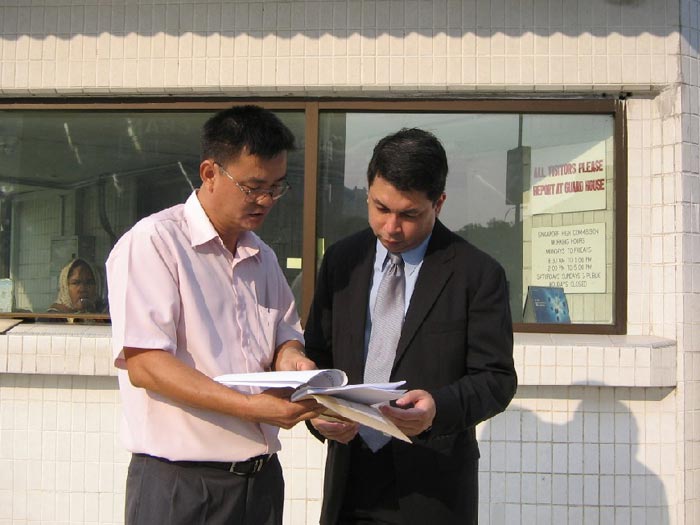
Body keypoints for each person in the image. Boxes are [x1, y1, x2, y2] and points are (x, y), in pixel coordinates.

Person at [106, 105, 322, 525]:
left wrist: (293, 361)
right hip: (182, 485)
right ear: (209, 173)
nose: (266, 200)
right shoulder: (155, 243)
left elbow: (285, 336)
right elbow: (146, 365)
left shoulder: (263, 256)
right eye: (253, 187)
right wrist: (252, 408)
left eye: (277, 187)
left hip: (260, 482)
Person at [304, 128, 518, 525]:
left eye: (409, 214)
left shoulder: (477, 273)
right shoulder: (341, 261)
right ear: (368, 191)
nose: (391, 227)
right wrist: (317, 413)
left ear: (439, 203)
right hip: (349, 480)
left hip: (432, 487)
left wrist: (437, 408)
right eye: (380, 208)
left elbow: (496, 379)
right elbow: (317, 354)